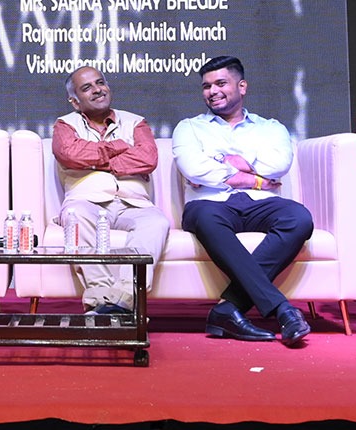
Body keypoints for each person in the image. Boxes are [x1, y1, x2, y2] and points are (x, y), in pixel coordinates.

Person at [172, 56, 313, 346]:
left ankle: (228, 309)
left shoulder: (270, 128)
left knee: (299, 218)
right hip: (209, 204)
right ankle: (282, 310)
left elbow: (278, 165)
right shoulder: (189, 128)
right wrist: (255, 176)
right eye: (207, 86)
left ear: (242, 86)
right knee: (207, 219)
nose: (213, 91)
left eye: (221, 83)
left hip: (260, 204)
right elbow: (195, 169)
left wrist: (223, 161)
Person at [53, 66, 172, 316]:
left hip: (134, 204)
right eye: (87, 88)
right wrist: (118, 146)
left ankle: (122, 300)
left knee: (157, 222)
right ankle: (102, 299)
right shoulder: (65, 125)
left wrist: (94, 160)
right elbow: (70, 154)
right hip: (86, 203)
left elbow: (147, 159)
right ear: (74, 101)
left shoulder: (135, 122)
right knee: (76, 216)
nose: (97, 90)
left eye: (100, 83)